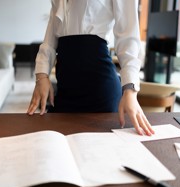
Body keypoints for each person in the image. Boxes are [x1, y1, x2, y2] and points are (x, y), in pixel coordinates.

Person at [27, 0, 154, 136]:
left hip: (100, 93)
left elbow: (128, 37)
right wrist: (42, 75)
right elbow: (51, 34)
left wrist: (130, 90)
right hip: (66, 90)